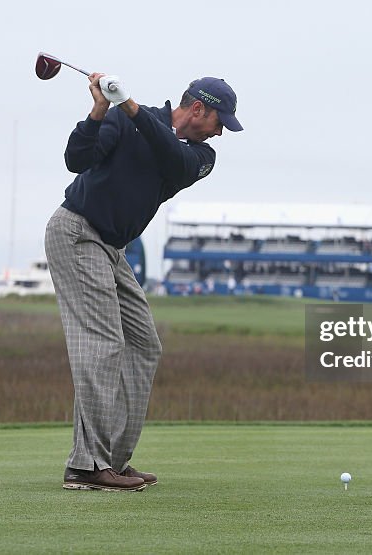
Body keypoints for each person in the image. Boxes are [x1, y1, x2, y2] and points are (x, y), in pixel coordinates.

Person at [45, 71, 243, 491]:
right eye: (219, 122)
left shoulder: (200, 156)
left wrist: (128, 105)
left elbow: (170, 154)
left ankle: (112, 459)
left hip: (110, 248)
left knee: (143, 344)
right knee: (102, 343)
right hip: (77, 231)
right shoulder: (122, 119)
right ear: (197, 109)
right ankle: (85, 465)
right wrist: (100, 110)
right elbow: (76, 160)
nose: (220, 133)